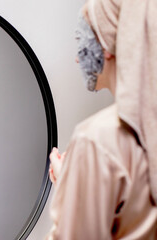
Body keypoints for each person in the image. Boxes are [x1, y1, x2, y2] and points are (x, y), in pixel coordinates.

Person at [47, 0, 157, 239]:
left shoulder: (96, 139)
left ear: (105, 44)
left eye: (80, 40)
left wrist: (71, 189)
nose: (77, 58)